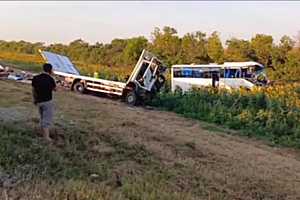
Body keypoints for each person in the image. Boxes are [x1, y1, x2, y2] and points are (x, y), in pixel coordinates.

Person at [32, 63, 56, 142]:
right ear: (50, 70)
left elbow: (33, 90)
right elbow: (55, 89)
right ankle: (46, 138)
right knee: (46, 120)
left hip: (39, 101)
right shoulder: (51, 79)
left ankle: (42, 133)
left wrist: (35, 99)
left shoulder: (35, 78)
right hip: (47, 102)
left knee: (42, 118)